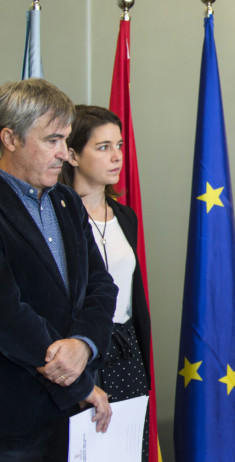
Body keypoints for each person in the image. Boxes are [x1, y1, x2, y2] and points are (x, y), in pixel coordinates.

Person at [0, 79, 116, 460]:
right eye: (52, 140)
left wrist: (83, 344)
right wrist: (76, 383)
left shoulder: (66, 200)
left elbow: (101, 286)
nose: (64, 154)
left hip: (72, 419)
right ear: (10, 139)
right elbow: (7, 314)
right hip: (14, 423)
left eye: (65, 140)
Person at [59, 105, 152, 462]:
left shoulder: (125, 216)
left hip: (127, 349)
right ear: (72, 155)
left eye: (119, 145)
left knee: (127, 449)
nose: (117, 157)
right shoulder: (58, 217)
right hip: (82, 351)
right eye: (103, 147)